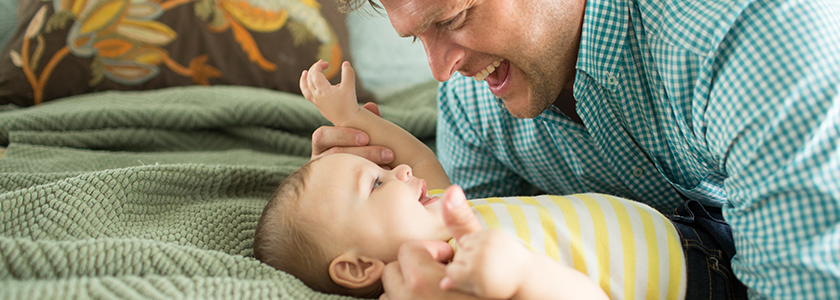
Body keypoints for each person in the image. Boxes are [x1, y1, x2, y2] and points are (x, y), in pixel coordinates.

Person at [312, 0, 840, 299]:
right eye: (416, 38)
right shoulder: (471, 111)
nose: (440, 70)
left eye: (451, 20)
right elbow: (472, 223)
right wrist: (339, 218)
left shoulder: (747, 37)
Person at [253, 60, 747, 300]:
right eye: (378, 185)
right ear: (359, 266)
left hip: (703, 228)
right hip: (698, 286)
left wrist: (350, 115)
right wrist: (521, 278)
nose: (398, 171)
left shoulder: (440, 210)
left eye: (382, 172)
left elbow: (416, 156)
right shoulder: (456, 281)